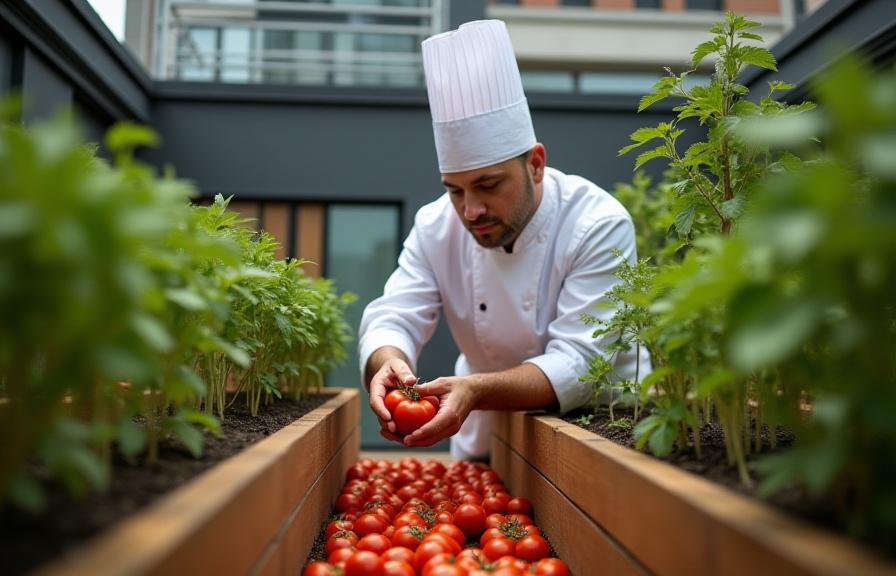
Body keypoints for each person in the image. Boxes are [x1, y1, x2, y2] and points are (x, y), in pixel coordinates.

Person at [359, 19, 651, 460]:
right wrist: (387, 363)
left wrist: (475, 390)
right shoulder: (436, 224)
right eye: (454, 190)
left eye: (488, 185)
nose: (470, 210)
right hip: (486, 434)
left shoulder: (597, 222)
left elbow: (579, 363)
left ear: (535, 164)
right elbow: (395, 313)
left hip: (596, 431)